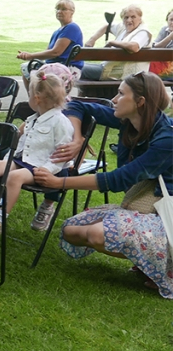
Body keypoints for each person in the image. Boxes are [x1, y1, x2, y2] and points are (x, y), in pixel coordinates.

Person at [37, 72, 173, 299]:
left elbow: (117, 180)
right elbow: (77, 105)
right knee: (71, 231)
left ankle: (165, 265)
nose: (115, 99)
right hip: (143, 208)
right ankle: (149, 259)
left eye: (121, 93)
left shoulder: (167, 138)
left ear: (140, 102)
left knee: (97, 235)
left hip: (165, 213)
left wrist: (59, 182)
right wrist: (77, 139)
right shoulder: (129, 121)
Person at [0, 66, 76, 241]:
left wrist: (47, 170)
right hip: (26, 160)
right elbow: (21, 144)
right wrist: (9, 161)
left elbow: (61, 154)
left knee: (15, 177)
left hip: (45, 168)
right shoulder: (33, 118)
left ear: (37, 98)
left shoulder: (61, 123)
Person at [17, 0, 84, 90]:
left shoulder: (72, 28)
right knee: (26, 67)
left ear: (72, 12)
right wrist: (28, 55)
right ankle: (36, 100)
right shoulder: (58, 31)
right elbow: (48, 53)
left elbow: (56, 52)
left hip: (65, 69)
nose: (59, 11)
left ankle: (36, 101)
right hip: (55, 66)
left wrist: (30, 56)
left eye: (64, 9)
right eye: (57, 9)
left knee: (28, 68)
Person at [80, 4, 152, 81]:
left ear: (140, 18)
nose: (129, 20)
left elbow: (134, 47)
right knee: (74, 65)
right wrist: (92, 39)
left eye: (133, 17)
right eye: (126, 17)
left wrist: (112, 42)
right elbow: (107, 26)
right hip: (107, 69)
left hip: (120, 75)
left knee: (75, 69)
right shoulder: (123, 28)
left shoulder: (143, 32)